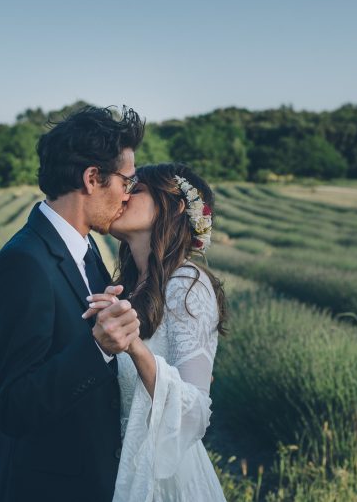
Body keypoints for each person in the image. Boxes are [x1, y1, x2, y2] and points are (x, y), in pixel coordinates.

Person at [0, 106, 145, 502]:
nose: (128, 195)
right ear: (93, 178)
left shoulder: (87, 249)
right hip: (44, 484)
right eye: (127, 182)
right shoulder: (24, 262)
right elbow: (14, 406)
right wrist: (98, 347)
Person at [82, 163, 228, 501]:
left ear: (175, 206)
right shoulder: (128, 288)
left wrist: (134, 346)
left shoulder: (187, 285)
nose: (123, 195)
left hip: (164, 479)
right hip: (119, 469)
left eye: (137, 189)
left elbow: (194, 413)